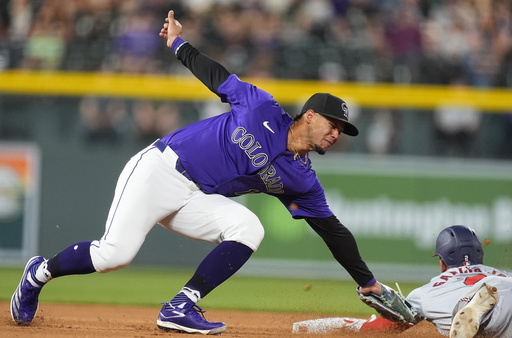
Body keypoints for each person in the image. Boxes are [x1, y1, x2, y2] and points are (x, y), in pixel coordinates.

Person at [11, 10, 386, 335]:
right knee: (114, 256)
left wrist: (367, 283)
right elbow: (216, 76)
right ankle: (38, 274)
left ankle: (181, 306)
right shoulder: (262, 108)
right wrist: (178, 44)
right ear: (310, 115)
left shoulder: (303, 180)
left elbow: (334, 232)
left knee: (250, 228)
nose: (336, 133)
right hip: (161, 168)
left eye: (342, 130)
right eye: (333, 124)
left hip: (196, 198)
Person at [301, 225, 512, 337]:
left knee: (476, 318)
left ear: (442, 262)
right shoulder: (501, 273)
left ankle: (471, 309)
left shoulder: (427, 292)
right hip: (504, 289)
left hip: (464, 304)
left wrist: (380, 292)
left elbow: (385, 327)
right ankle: (477, 309)